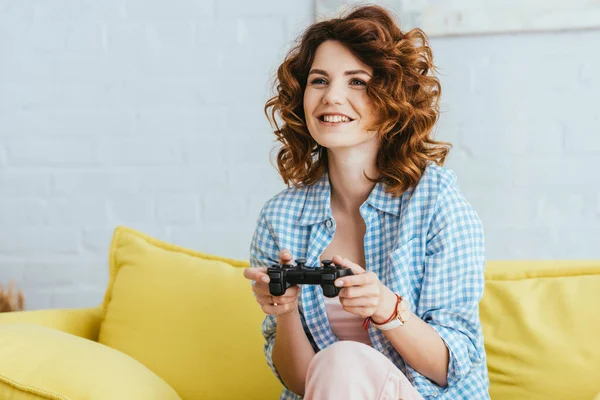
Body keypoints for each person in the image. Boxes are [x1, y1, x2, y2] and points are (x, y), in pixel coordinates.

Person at [243, 4, 490, 400]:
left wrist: (386, 307)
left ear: (390, 98)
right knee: (338, 364)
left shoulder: (436, 203)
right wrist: (285, 310)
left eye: (356, 81)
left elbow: (451, 366)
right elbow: (304, 384)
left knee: (343, 360)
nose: (332, 97)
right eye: (319, 80)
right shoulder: (280, 218)